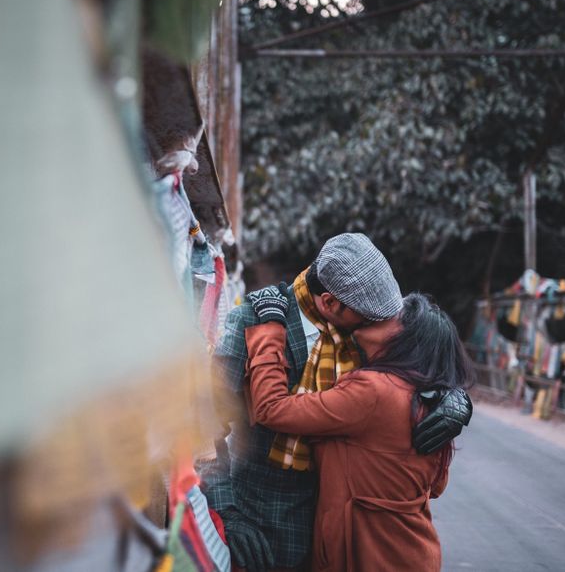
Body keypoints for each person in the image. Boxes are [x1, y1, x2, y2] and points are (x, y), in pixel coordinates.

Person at [199, 234, 472, 571]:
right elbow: (203, 422)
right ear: (330, 303)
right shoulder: (257, 319)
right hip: (261, 525)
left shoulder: (363, 330)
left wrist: (450, 395)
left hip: (342, 535)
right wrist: (225, 509)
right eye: (371, 319)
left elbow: (411, 365)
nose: (384, 325)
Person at [244, 291, 475, 571]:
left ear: (406, 340)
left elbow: (271, 408)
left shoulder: (375, 391)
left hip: (371, 557)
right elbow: (435, 487)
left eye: (393, 315)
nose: (379, 313)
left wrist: (269, 327)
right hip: (413, 553)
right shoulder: (430, 401)